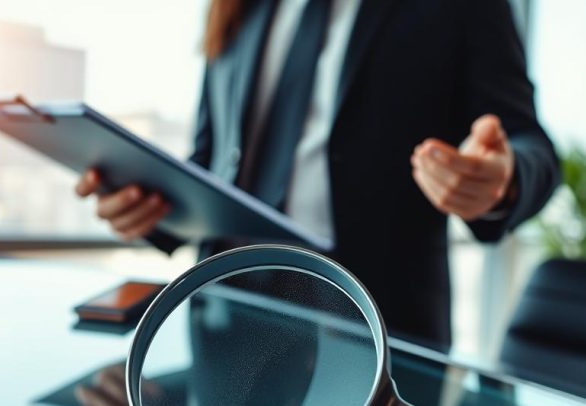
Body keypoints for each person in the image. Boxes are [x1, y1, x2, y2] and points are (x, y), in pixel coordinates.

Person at [75, 0, 557, 353]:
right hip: (225, 312)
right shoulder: (238, 9)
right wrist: (148, 211)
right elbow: (213, 159)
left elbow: (529, 144)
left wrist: (502, 179)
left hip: (375, 325)